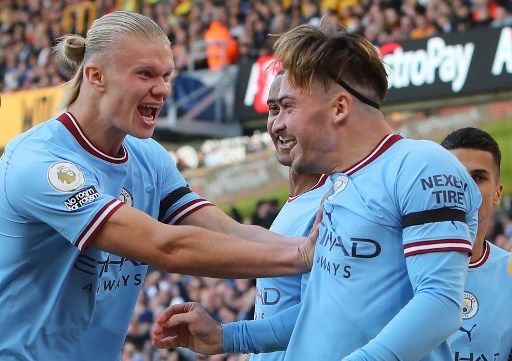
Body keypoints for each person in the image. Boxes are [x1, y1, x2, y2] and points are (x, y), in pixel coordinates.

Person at [151, 19, 482, 360]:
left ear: (339, 107)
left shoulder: (421, 163)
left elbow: (439, 304)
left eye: (289, 106)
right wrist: (227, 336)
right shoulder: (342, 185)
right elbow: (321, 311)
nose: (276, 124)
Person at [0, 12, 315, 361]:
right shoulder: (40, 161)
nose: (163, 88)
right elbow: (165, 247)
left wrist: (322, 248)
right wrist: (301, 255)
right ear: (96, 76)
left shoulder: (148, 156)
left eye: (166, 75)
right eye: (146, 74)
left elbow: (227, 231)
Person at [251, 72, 330, 361]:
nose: (278, 123)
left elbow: (318, 314)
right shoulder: (296, 204)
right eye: (273, 109)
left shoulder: (329, 203)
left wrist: (228, 336)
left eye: (290, 108)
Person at [441, 128, 512, 361]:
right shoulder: (398, 266)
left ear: (497, 194)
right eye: (455, 176)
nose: (466, 189)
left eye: (479, 178)